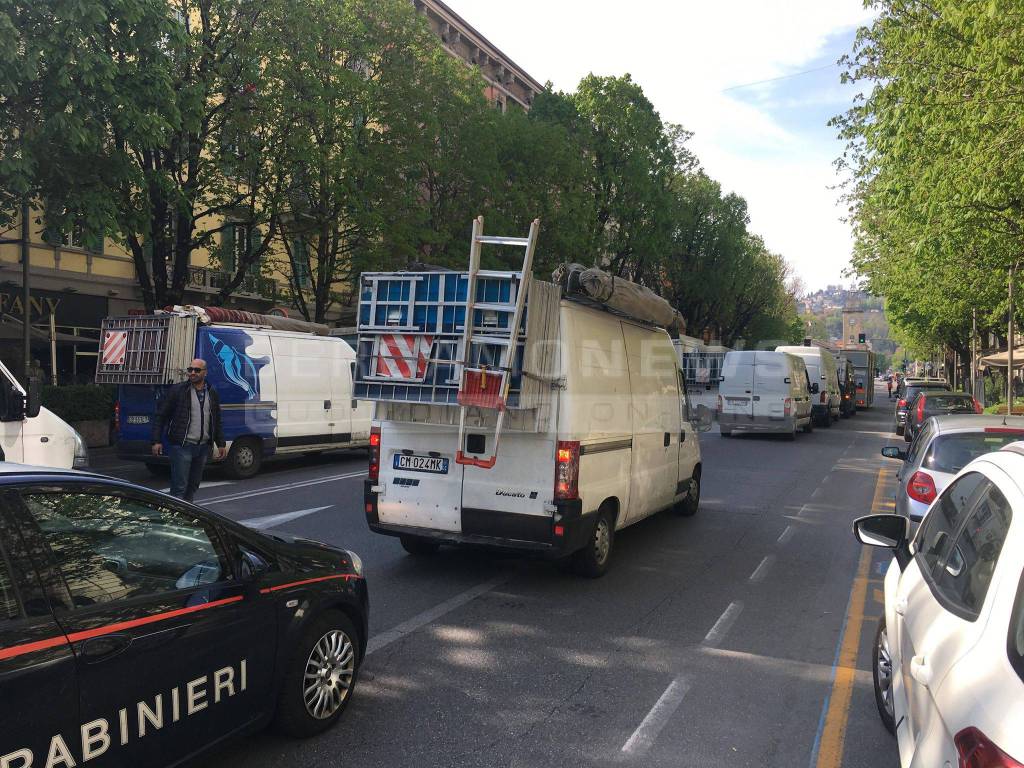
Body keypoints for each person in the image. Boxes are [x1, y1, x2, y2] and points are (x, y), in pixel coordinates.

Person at [151, 358, 226, 501]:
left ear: (205, 372)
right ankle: (176, 519)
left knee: (193, 486)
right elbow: (161, 415)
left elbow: (216, 420)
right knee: (179, 487)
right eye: (190, 369)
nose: (192, 373)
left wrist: (220, 443)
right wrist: (156, 441)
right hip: (182, 446)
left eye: (197, 370)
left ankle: (188, 517)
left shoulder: (212, 392)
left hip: (203, 447)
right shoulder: (178, 391)